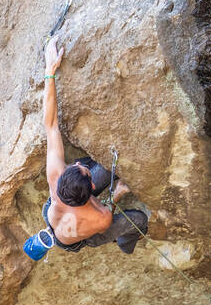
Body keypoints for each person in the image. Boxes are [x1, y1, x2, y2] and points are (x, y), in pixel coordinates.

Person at [37, 35, 149, 255]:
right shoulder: (100, 219)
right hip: (79, 236)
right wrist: (117, 194)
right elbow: (106, 211)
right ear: (90, 194)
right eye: (83, 170)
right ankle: (125, 244)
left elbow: (50, 125)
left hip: (57, 214)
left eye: (74, 166)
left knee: (108, 168)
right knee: (138, 219)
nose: (79, 163)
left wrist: (50, 71)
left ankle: (102, 183)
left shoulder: (55, 177)